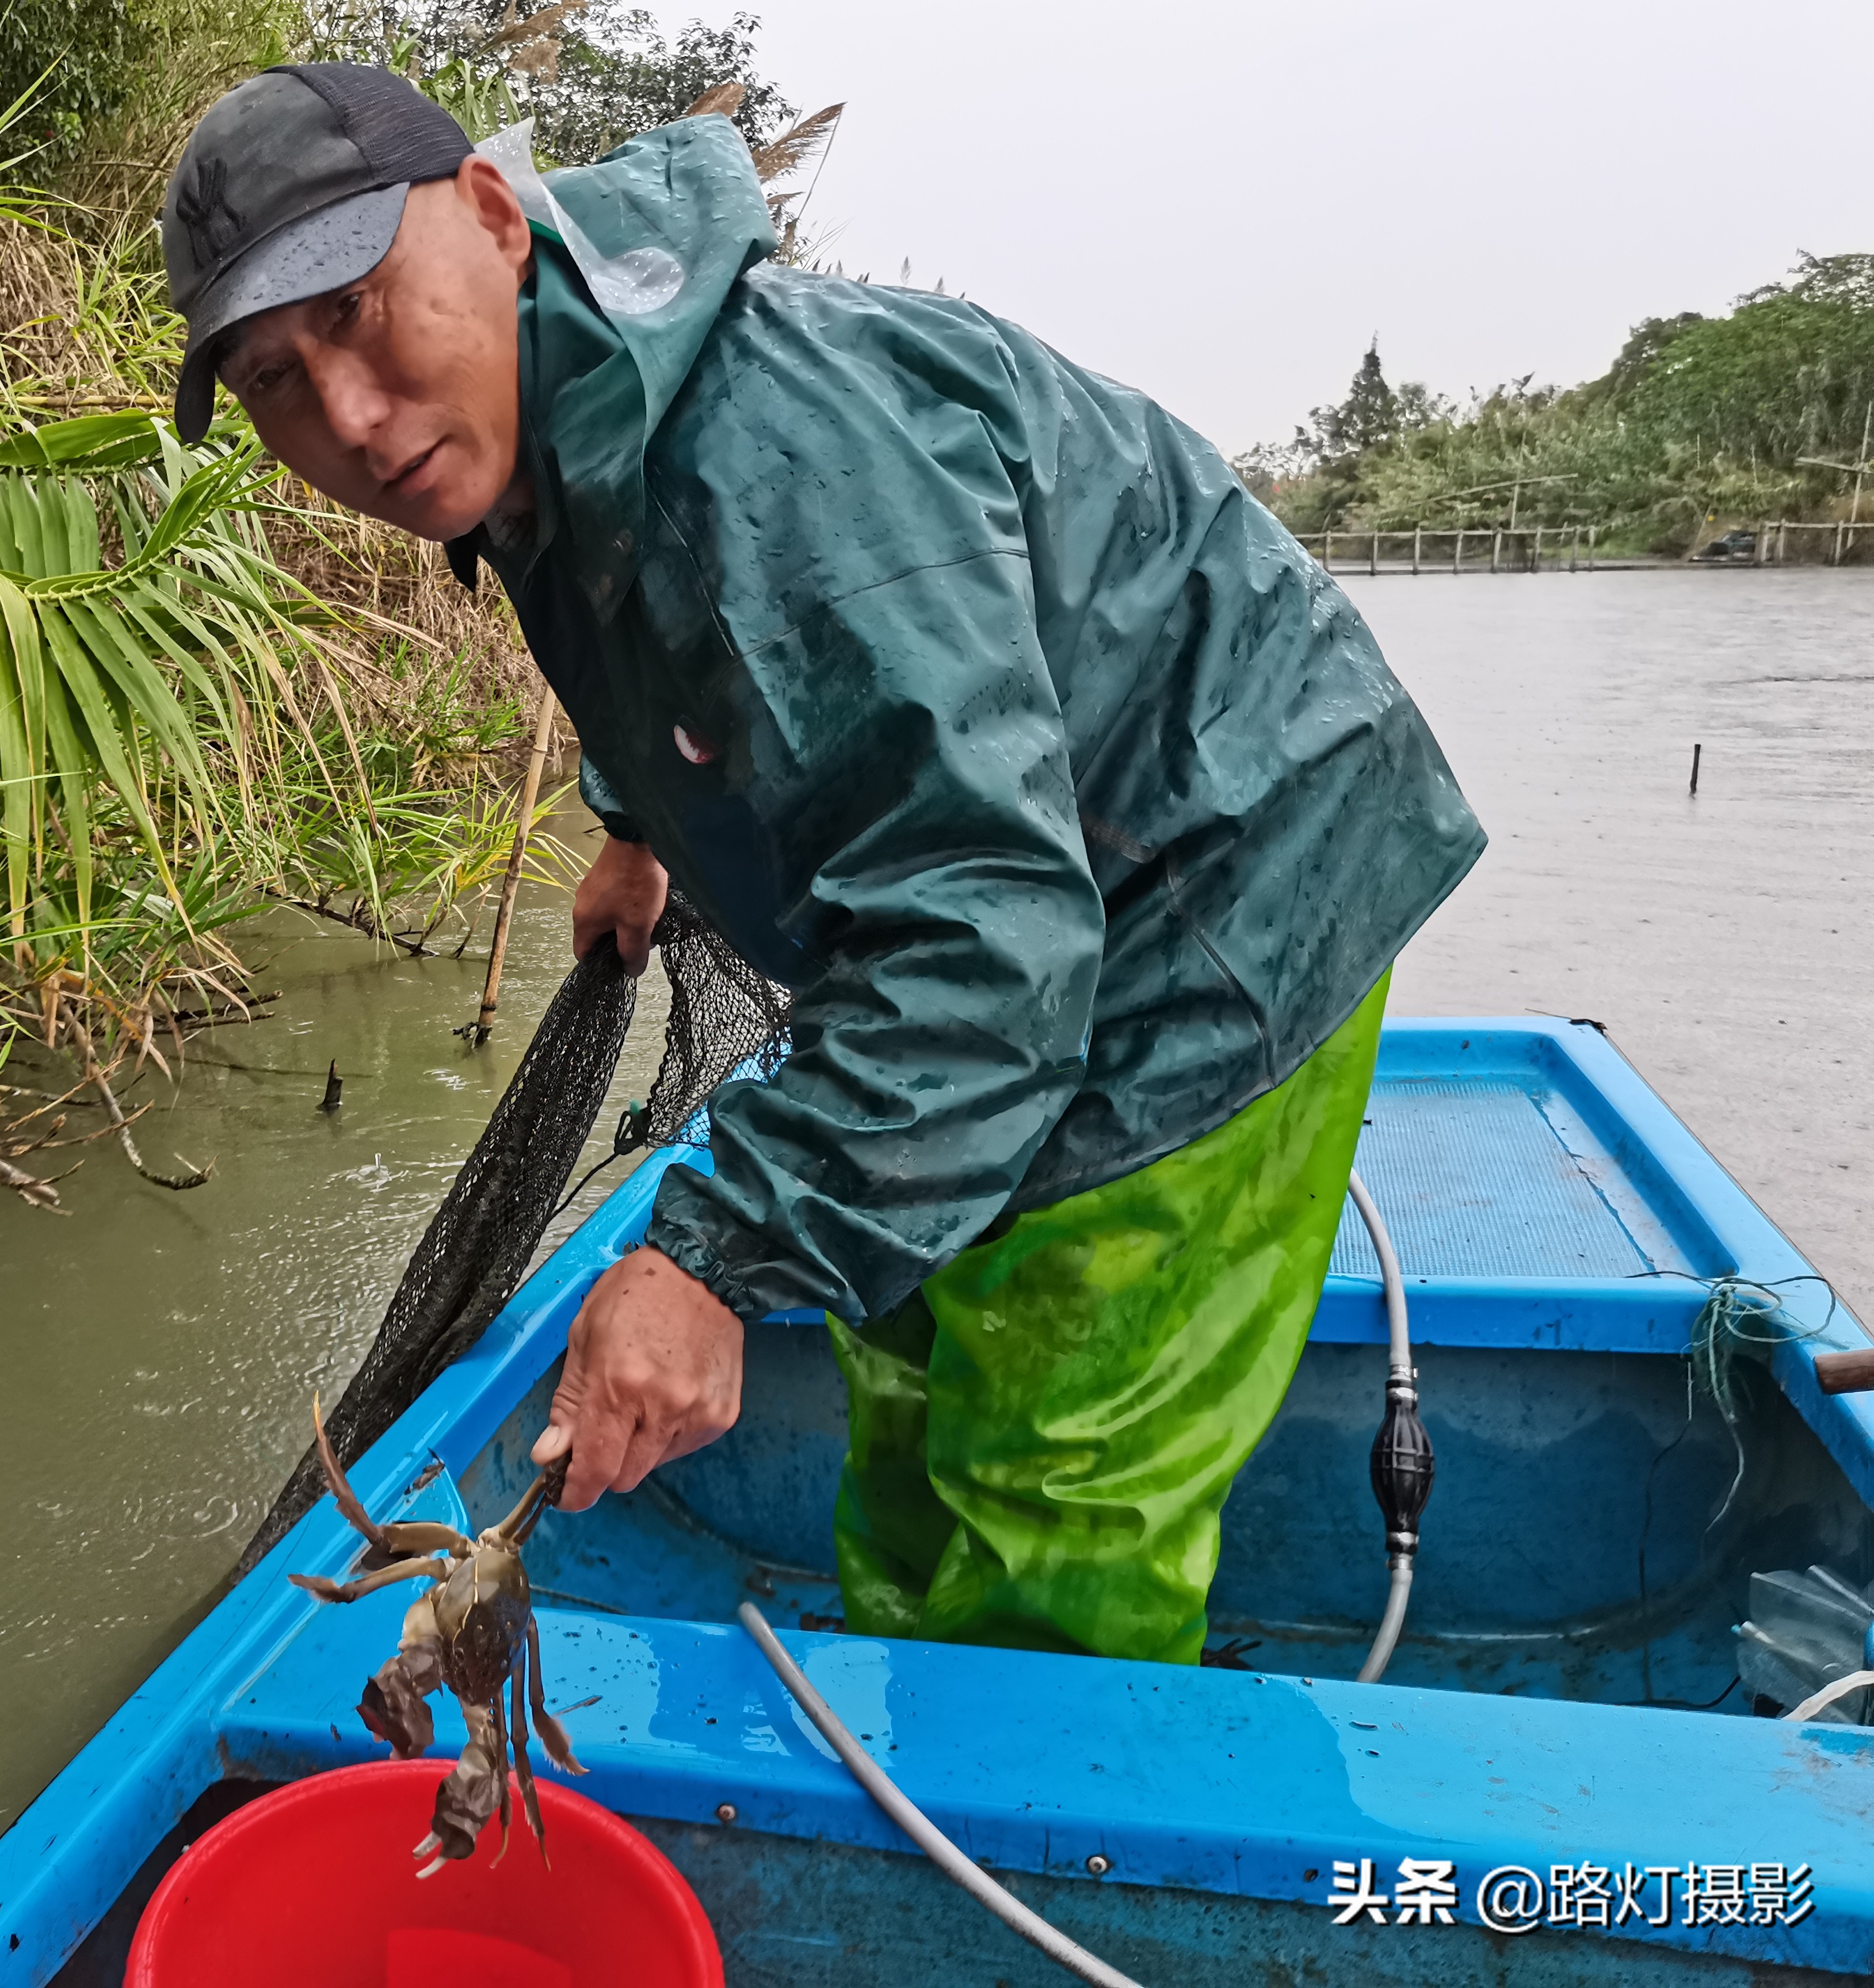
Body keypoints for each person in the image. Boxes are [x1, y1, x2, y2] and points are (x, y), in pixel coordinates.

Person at [161, 63, 1483, 1663]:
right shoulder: (548, 415)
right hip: (1012, 895)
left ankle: (1013, 1836)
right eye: (276, 382)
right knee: (902, 1342)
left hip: (1218, 889)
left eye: (364, 314)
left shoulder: (772, 457)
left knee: (1057, 1476)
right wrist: (637, 834)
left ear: (497, 220)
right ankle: (904, 1706)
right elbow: (690, 668)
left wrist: (707, 1257)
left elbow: (986, 945)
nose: (350, 420)